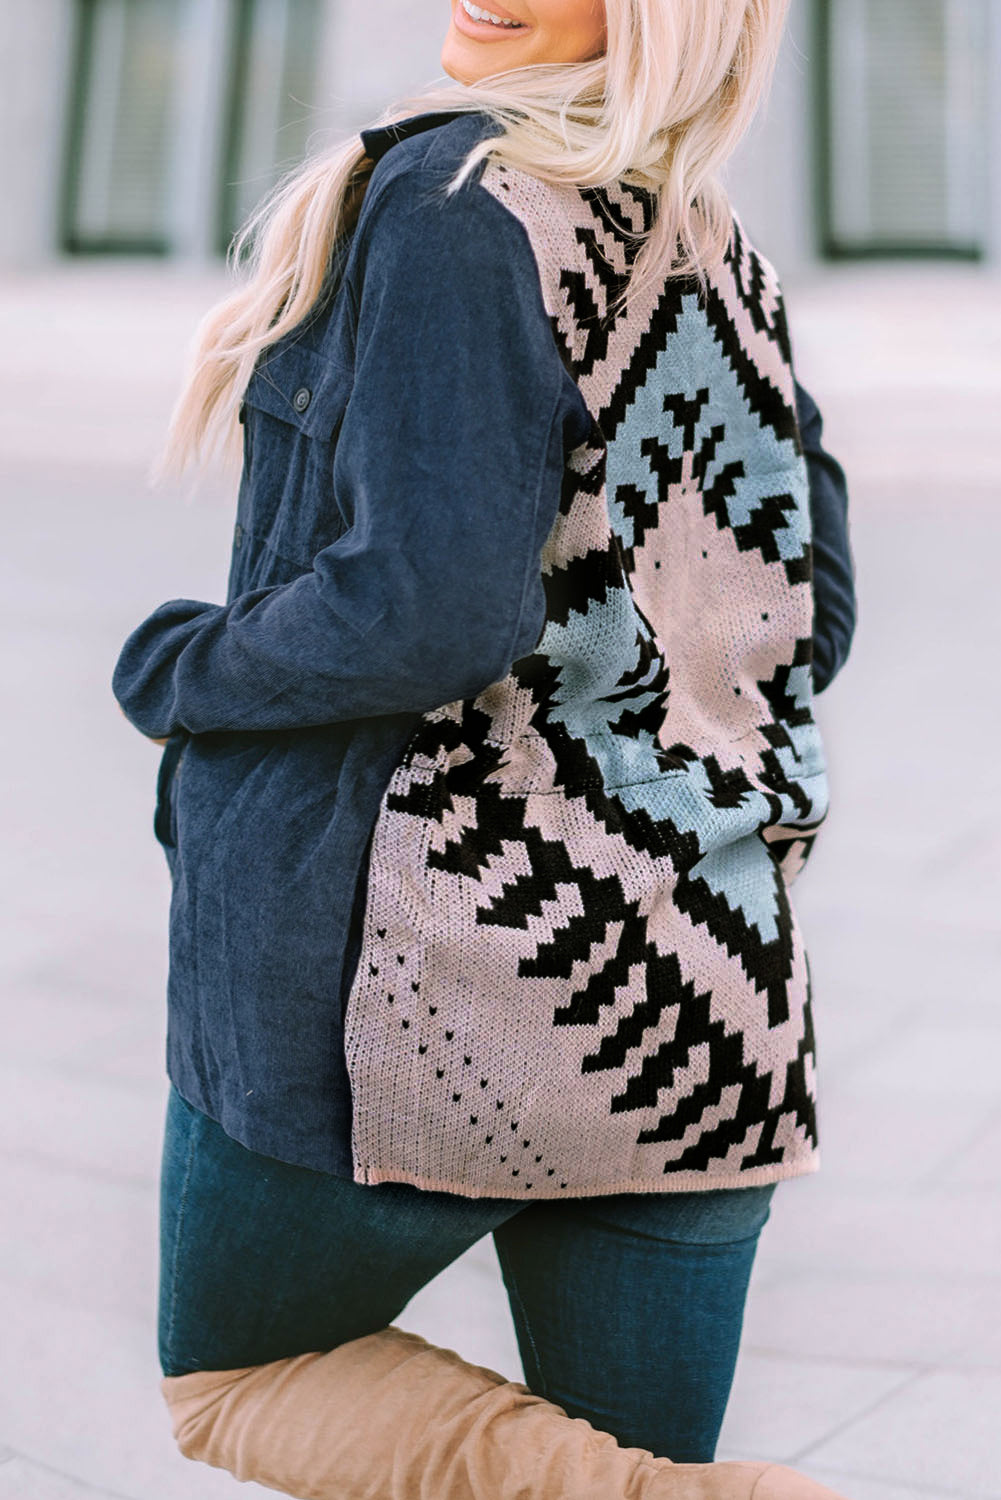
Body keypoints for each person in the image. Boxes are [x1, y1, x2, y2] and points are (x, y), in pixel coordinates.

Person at [112, 1, 858, 1496]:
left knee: (235, 1381)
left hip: (407, 985)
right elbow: (807, 622)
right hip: (695, 1005)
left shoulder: (458, 200)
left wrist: (183, 664)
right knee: (629, 1448)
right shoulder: (718, 253)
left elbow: (427, 611)